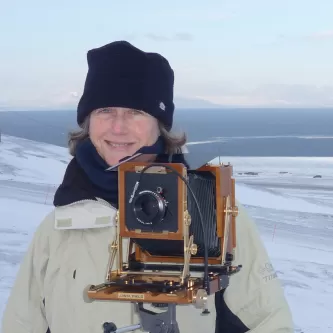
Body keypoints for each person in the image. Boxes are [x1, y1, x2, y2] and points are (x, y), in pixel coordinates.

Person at [1, 41, 294, 333]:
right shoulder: (57, 229)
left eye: (135, 112)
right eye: (105, 110)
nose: (118, 127)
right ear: (88, 123)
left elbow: (270, 324)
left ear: (160, 126)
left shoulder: (214, 215)